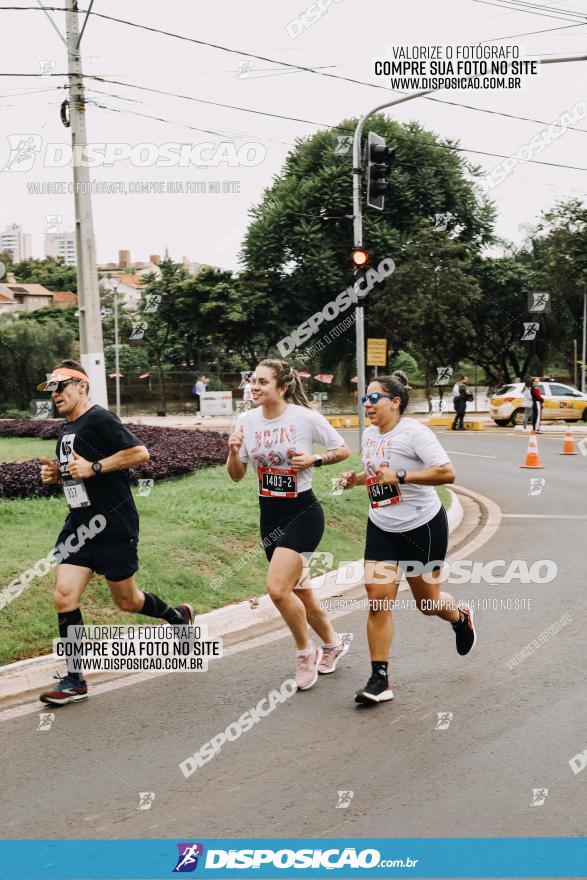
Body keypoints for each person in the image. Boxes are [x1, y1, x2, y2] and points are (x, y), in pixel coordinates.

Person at [38, 361, 193, 706]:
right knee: (64, 596)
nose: (55, 394)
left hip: (113, 524)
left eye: (60, 385)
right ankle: (75, 680)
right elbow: (76, 472)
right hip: (79, 524)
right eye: (51, 388)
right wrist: (57, 476)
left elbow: (140, 452)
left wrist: (94, 467)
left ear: (82, 385)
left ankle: (177, 616)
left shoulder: (100, 418)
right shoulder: (66, 428)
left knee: (127, 602)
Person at [339, 371, 476, 705]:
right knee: (378, 600)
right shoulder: (370, 435)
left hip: (422, 527)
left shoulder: (415, 433)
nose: (367, 405)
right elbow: (376, 475)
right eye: (364, 399)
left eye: (374, 398)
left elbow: (447, 473)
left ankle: (460, 617)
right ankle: (379, 678)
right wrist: (355, 480)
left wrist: (402, 475)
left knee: (427, 603)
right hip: (382, 526)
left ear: (395, 402)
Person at [226, 359, 351, 691]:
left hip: (303, 512)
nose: (254, 387)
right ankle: (332, 644)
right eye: (253, 381)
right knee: (302, 595)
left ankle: (304, 653)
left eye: (263, 382)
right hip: (270, 514)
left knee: (278, 589)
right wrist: (233, 451)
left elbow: (342, 450)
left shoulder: (304, 418)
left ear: (281, 388)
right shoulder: (246, 421)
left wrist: (315, 459)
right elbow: (237, 475)